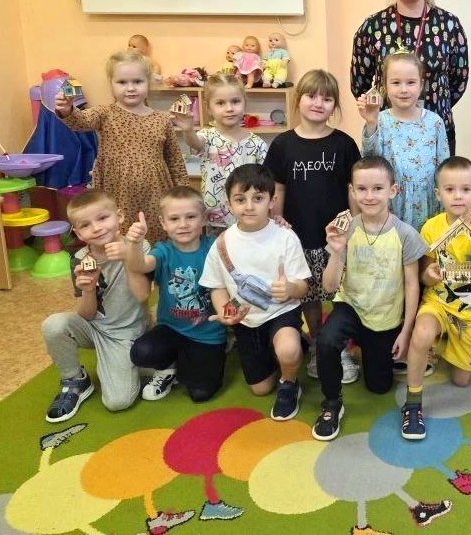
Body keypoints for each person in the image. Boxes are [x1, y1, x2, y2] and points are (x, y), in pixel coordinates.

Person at [312, 157, 429, 441]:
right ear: (352, 191)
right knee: (326, 341)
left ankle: (366, 351)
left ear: (393, 190)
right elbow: (329, 287)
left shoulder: (405, 234)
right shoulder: (346, 229)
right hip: (350, 306)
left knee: (378, 386)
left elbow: (412, 285)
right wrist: (337, 251)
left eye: (378, 188)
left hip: (385, 316)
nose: (369, 196)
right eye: (362, 189)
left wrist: (406, 330)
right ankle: (332, 402)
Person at [264, 70, 362, 384]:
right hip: (299, 235)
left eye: (327, 98)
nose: (318, 103)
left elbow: (352, 189)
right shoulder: (283, 144)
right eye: (311, 96)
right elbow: (278, 188)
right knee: (310, 295)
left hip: (336, 237)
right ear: (298, 99)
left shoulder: (343, 144)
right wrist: (277, 221)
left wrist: (355, 225)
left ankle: (338, 344)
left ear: (335, 105)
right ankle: (319, 341)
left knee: (340, 291)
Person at [401, 156, 471, 440]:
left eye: (465, 189)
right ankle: (413, 403)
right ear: (438, 194)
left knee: (461, 381)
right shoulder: (431, 227)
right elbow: (424, 276)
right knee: (422, 334)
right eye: (450, 189)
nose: (457, 196)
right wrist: (430, 274)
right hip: (438, 303)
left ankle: (447, 345)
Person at [199, 164, 312, 421]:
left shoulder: (285, 237)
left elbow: (303, 286)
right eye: (240, 199)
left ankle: (289, 382)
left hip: (282, 312)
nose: (249, 206)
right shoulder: (222, 242)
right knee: (260, 389)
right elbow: (216, 285)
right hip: (247, 320)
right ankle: (287, 349)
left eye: (258, 198)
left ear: (272, 201)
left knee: (288, 350)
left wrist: (291, 288)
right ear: (229, 204)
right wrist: (225, 310)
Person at [55, 50, 188, 243]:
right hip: (116, 189)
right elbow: (81, 121)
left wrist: (183, 192)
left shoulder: (162, 119)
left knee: (156, 234)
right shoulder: (105, 113)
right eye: (122, 82)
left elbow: (174, 159)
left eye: (138, 81)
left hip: (156, 191)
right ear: (111, 84)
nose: (130, 88)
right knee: (119, 235)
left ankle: (153, 260)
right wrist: (67, 109)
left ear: (148, 83)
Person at [351, 0, 469, 155]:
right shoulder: (372, 27)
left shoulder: (449, 25)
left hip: (436, 136)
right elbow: (361, 84)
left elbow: (458, 81)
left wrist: (427, 112)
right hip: (388, 137)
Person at [41, 191, 150, 422]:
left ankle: (137, 364)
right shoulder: (80, 258)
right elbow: (86, 314)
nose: (97, 228)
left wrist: (129, 256)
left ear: (119, 216)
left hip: (125, 334)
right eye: (86, 225)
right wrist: (88, 289)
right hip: (94, 328)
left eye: (102, 218)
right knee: (53, 325)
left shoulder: (139, 247)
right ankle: (75, 380)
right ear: (78, 233)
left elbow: (142, 295)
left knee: (118, 402)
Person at [124, 186, 226, 402]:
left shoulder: (214, 248)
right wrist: (134, 243)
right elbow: (139, 265)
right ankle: (168, 367)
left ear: (203, 219)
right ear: (163, 223)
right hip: (171, 329)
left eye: (191, 217)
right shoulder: (163, 250)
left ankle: (191, 360)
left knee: (201, 394)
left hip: (207, 334)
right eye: (174, 219)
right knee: (142, 352)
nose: (183, 224)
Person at [358, 50, 449, 230]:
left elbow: (445, 169)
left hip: (428, 203)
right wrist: (371, 122)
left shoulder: (435, 122)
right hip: (392, 205)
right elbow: (369, 162)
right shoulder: (379, 120)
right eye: (396, 83)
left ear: (421, 85)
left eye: (411, 82)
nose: (404, 89)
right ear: (385, 86)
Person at [173, 72, 268, 233]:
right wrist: (188, 130)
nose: (229, 108)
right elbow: (195, 142)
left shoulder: (257, 144)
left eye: (235, 101)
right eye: (220, 103)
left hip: (248, 217)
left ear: (245, 103)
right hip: (216, 220)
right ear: (209, 108)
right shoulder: (207, 136)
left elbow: (265, 183)